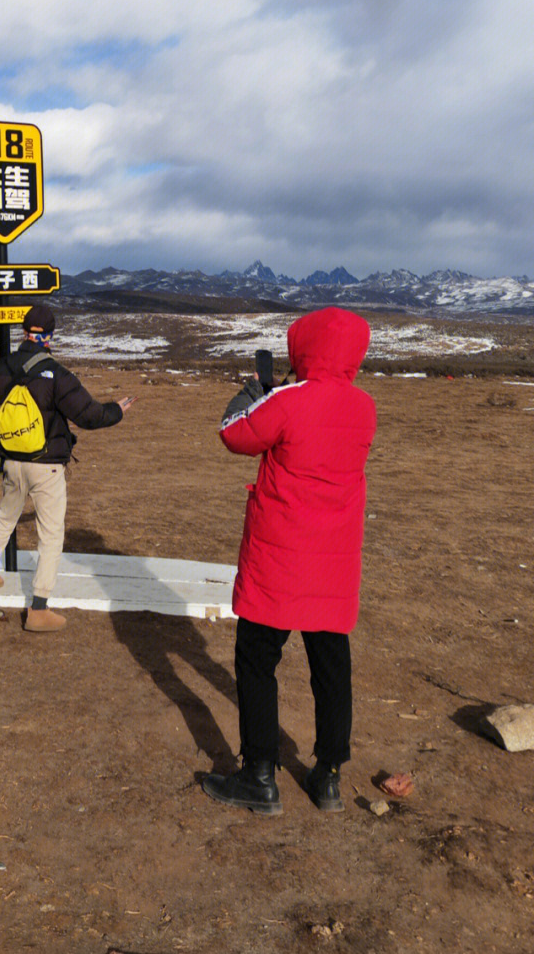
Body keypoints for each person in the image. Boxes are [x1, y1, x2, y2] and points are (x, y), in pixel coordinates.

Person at [202, 306, 376, 815]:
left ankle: (260, 775)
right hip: (334, 563)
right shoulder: (364, 407)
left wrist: (257, 391)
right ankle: (329, 777)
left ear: (303, 347)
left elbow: (234, 433)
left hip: (278, 558)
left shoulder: (286, 400)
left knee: (257, 660)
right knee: (331, 665)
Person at [0, 303, 135, 632]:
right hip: (47, 466)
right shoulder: (56, 374)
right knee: (51, 535)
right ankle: (39, 608)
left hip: (11, 463)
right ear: (50, 335)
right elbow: (89, 415)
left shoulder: (0, 368)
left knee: (6, 516)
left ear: (24, 332)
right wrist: (117, 410)